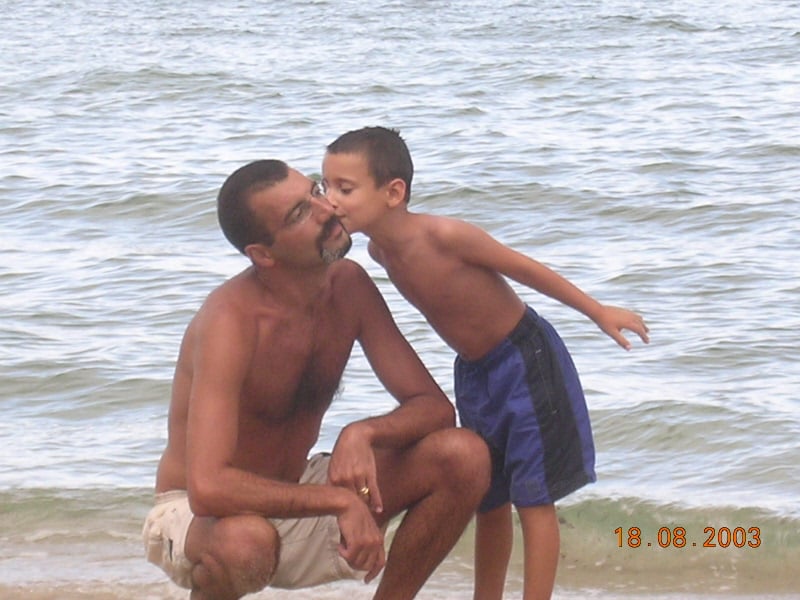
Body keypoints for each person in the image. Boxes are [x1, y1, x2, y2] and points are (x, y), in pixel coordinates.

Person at [321, 127, 651, 600]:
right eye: (325, 186)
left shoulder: (443, 235)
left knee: (534, 498)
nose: (331, 199)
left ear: (394, 192)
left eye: (345, 189)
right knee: (488, 498)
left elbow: (525, 269)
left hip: (523, 359)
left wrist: (598, 311)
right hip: (474, 372)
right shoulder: (378, 251)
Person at [142, 158, 491, 600]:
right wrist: (341, 501)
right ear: (263, 255)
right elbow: (208, 489)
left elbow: (435, 409)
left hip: (294, 490)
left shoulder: (348, 287)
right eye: (299, 214)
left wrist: (361, 433)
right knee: (246, 542)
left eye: (314, 191)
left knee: (463, 456)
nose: (325, 209)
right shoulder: (230, 321)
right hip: (196, 517)